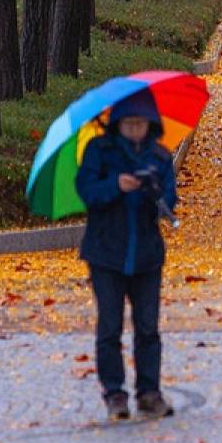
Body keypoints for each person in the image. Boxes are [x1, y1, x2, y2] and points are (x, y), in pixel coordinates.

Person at [74, 94, 179, 421]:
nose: (135, 129)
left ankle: (149, 392)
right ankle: (114, 393)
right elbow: (87, 191)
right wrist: (115, 185)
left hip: (147, 255)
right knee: (110, 326)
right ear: (118, 124)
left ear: (150, 125)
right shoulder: (99, 151)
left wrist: (154, 192)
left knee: (148, 328)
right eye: (129, 124)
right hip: (105, 253)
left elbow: (170, 199)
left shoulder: (159, 156)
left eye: (140, 124)